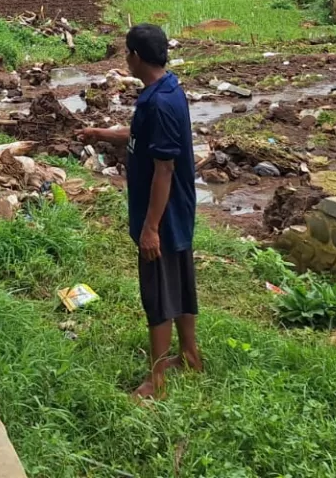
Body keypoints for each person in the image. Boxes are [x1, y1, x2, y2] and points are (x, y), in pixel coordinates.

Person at [76, 24, 201, 398]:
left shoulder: (159, 103)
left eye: (126, 53)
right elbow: (139, 140)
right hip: (177, 211)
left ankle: (157, 380)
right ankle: (191, 357)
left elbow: (164, 169)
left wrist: (150, 228)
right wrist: (100, 133)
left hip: (162, 214)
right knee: (180, 282)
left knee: (158, 294)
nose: (125, 59)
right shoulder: (166, 90)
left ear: (134, 56)